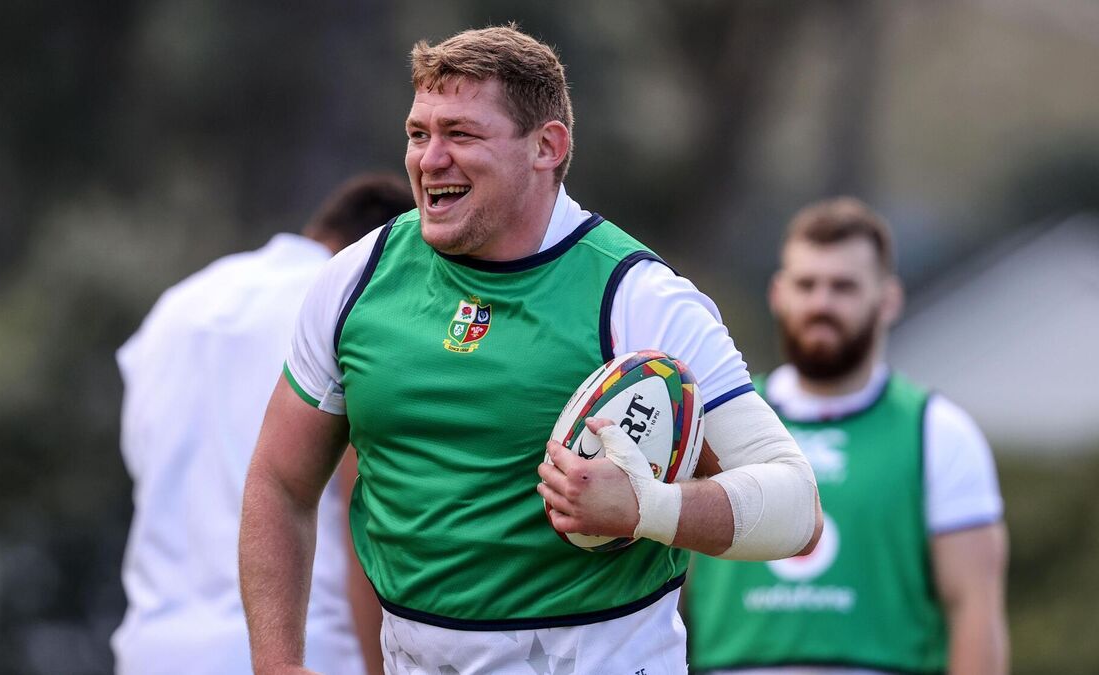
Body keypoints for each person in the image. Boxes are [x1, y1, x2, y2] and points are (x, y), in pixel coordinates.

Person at [239, 25, 823, 675]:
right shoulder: (356, 278)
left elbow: (797, 505)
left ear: (547, 147)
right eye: (418, 133)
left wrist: (648, 508)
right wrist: (276, 662)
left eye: (461, 134)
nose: (430, 159)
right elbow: (279, 481)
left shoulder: (640, 298)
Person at [686, 197, 1009, 675]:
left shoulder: (939, 432)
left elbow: (974, 609)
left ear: (889, 300)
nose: (821, 304)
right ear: (778, 294)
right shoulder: (716, 419)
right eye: (806, 285)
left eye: (843, 287)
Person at [112, 173, 414, 675]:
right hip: (305, 649)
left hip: (153, 648)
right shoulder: (353, 310)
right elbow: (368, 514)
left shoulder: (177, 306)